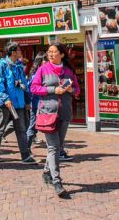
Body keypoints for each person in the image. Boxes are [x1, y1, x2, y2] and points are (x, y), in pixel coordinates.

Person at [30, 42, 80, 198]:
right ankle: (57, 181)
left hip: (64, 112)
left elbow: (77, 90)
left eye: (54, 52)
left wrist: (72, 90)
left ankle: (46, 172)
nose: (50, 54)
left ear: (62, 54)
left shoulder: (69, 71)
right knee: (53, 148)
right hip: (48, 113)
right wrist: (53, 90)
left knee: (58, 147)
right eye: (49, 52)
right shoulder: (43, 69)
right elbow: (34, 88)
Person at [0, 42, 34, 164]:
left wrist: (27, 100)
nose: (21, 52)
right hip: (6, 104)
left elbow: (24, 85)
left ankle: (25, 156)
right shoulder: (2, 65)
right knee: (0, 128)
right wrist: (5, 99)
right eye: (19, 50)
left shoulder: (19, 67)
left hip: (19, 104)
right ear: (14, 52)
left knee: (21, 129)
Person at [26, 52, 47, 149]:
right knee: (32, 127)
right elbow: (30, 90)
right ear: (40, 62)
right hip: (36, 105)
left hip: (42, 104)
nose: (47, 62)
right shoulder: (36, 75)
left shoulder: (43, 73)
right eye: (45, 60)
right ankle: (26, 149)